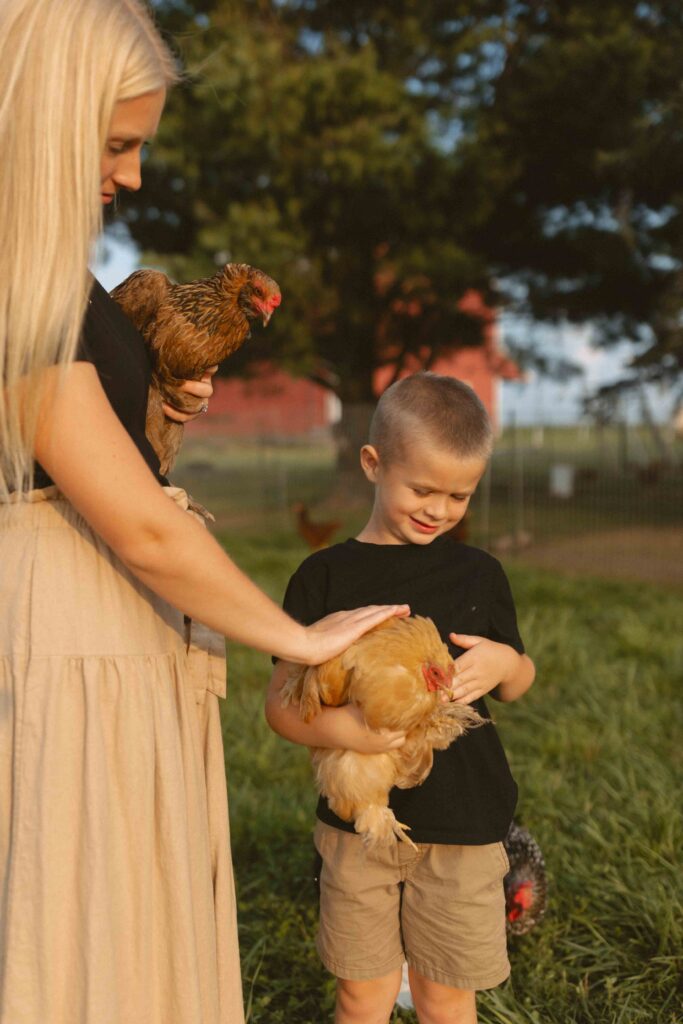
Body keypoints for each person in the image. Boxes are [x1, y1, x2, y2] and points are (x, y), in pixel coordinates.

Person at [0, 3, 407, 1023]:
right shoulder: (19, 277)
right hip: (69, 643)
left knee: (103, 922)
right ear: (41, 119)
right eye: (116, 142)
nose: (132, 174)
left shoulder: (48, 273)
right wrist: (296, 634)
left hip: (97, 639)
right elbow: (134, 522)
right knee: (81, 937)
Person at [266, 372, 536, 1024]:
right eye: (422, 489)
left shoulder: (478, 573)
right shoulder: (323, 576)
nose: (439, 509)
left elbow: (519, 680)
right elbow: (280, 706)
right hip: (360, 823)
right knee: (362, 993)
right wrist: (346, 734)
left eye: (459, 495)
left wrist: (505, 660)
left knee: (445, 996)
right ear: (372, 463)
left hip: (463, 824)